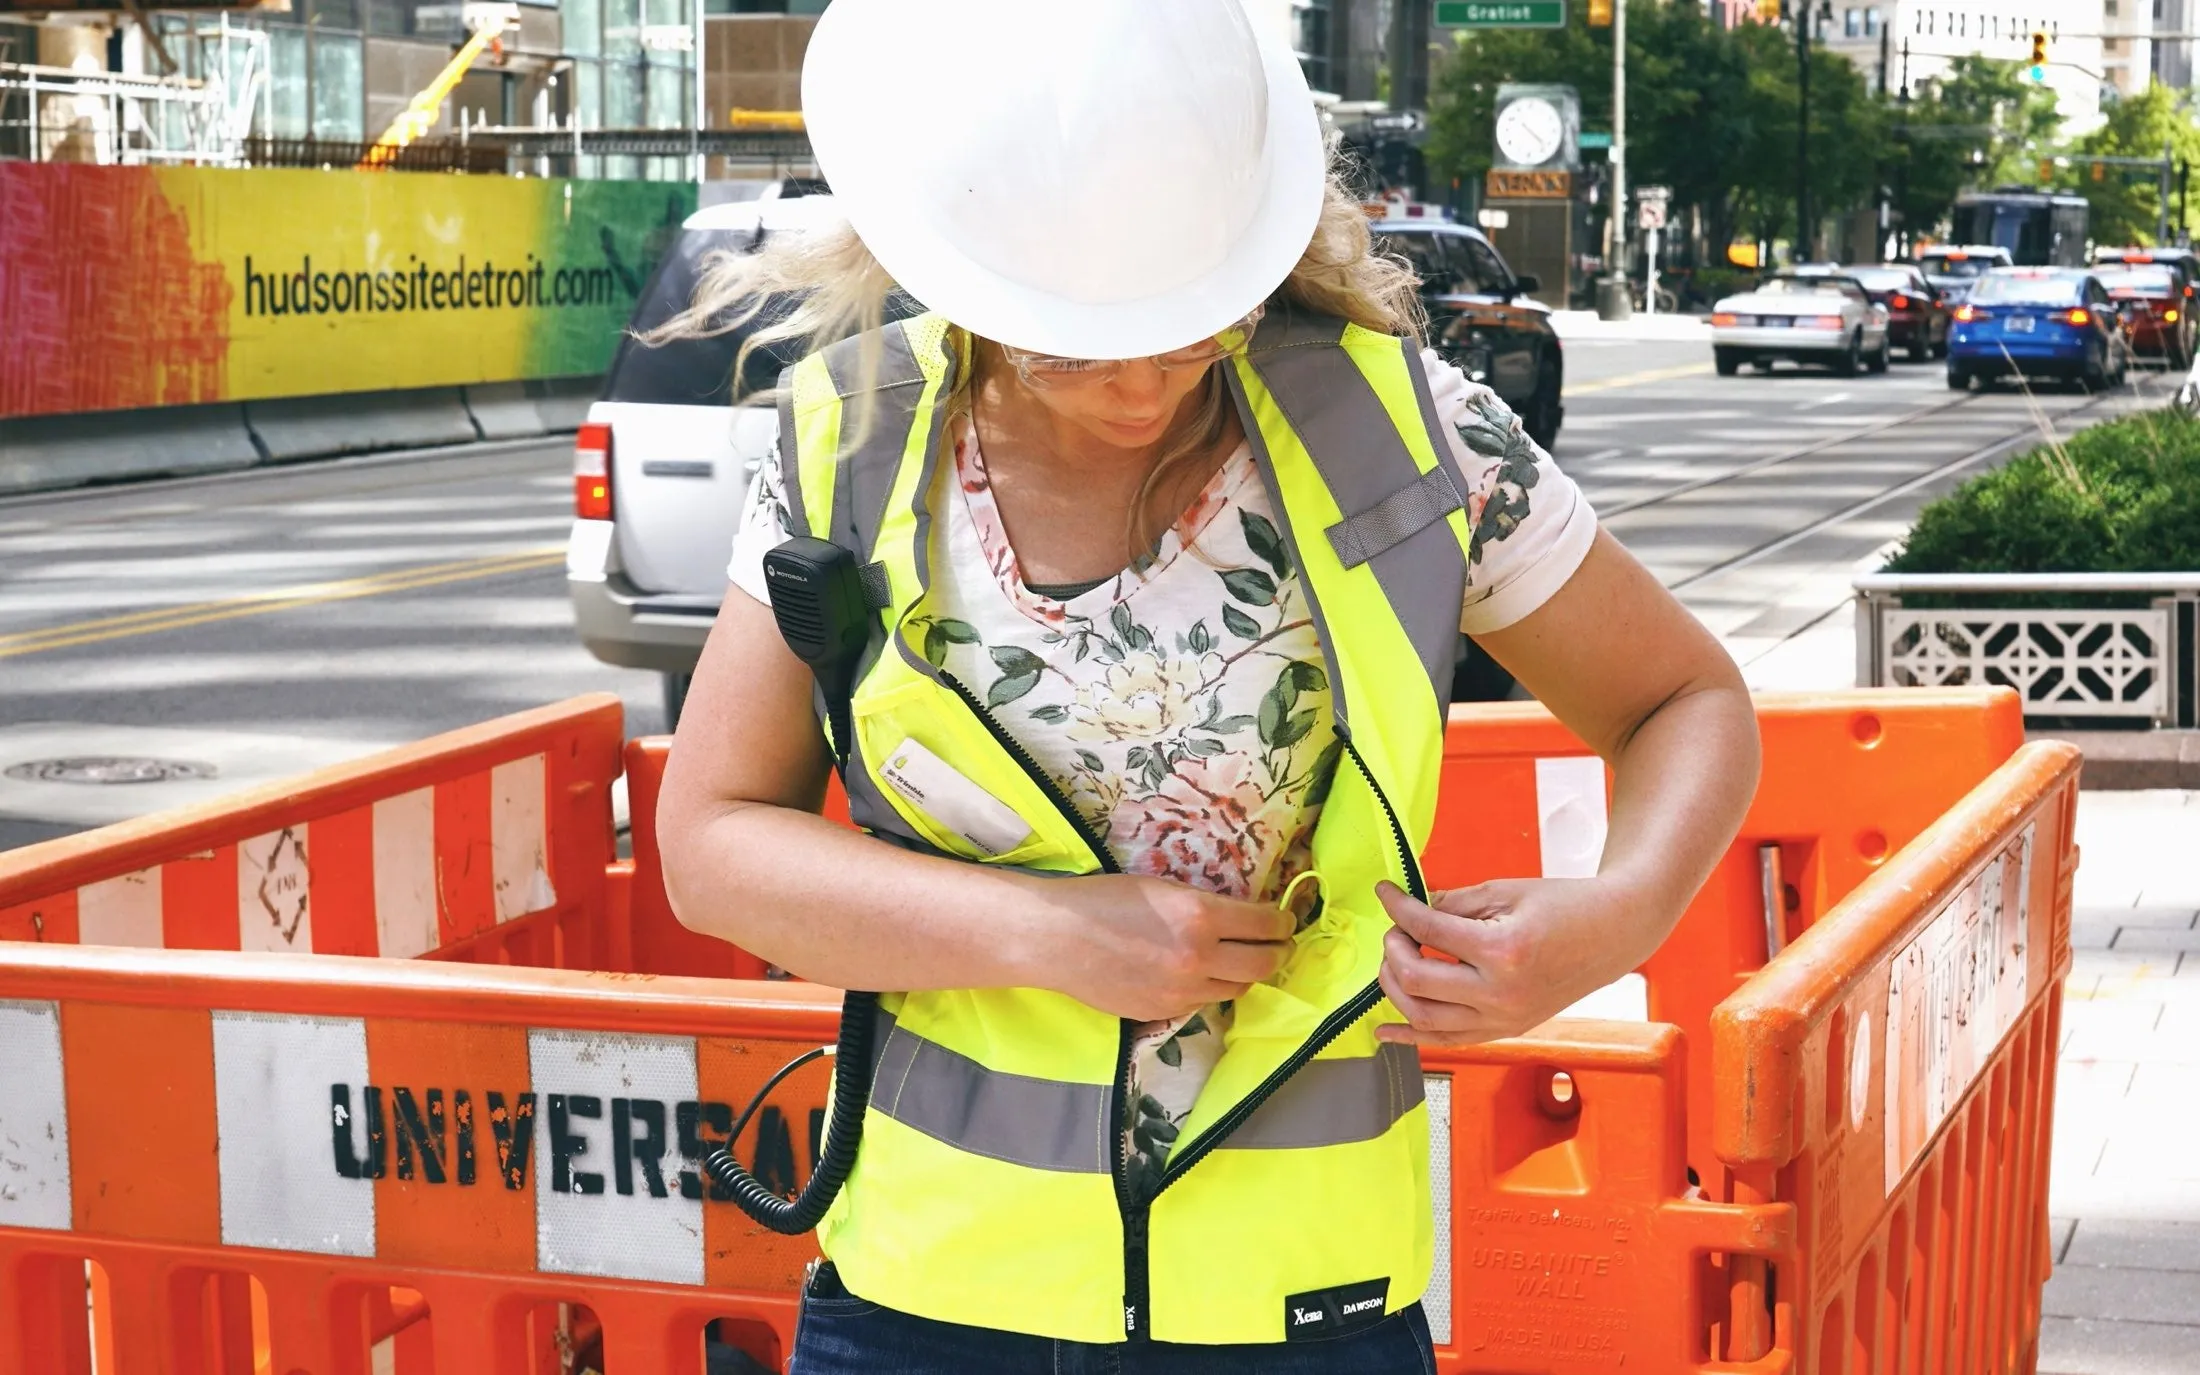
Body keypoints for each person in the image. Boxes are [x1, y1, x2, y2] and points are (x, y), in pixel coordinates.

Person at [655, 2, 1760, 1371]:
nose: (1139, 385)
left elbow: (1684, 703)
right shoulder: (851, 439)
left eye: (1192, 324)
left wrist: (1613, 916)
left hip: (1301, 1310)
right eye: (1069, 342)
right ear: (947, 258)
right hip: (922, 1301)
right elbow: (710, 844)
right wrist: (1049, 935)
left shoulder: (1407, 438)